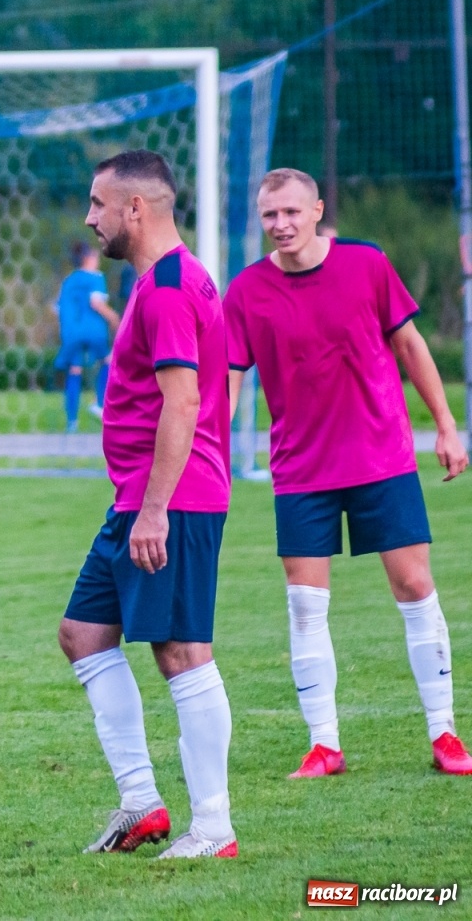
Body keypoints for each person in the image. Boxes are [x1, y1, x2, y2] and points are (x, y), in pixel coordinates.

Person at [224, 167, 471, 777]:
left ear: (316, 211)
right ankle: (324, 744)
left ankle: (446, 736)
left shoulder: (365, 264)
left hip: (381, 457)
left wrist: (444, 424)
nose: (279, 225)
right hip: (301, 470)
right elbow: (230, 377)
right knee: (305, 605)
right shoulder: (246, 292)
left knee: (415, 589)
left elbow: (411, 346)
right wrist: (209, 446)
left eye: (290, 212)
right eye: (268, 215)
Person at [58, 150, 238, 860]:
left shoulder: (166, 288)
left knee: (182, 652)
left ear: (137, 208)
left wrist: (156, 509)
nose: (89, 217)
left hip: (171, 497)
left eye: (98, 203)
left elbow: (183, 400)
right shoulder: (166, 279)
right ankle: (141, 803)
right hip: (140, 496)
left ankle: (214, 828)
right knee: (83, 633)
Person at [53, 241, 120, 431]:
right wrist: (114, 318)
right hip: (94, 330)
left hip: (72, 333)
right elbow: (96, 302)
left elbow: (57, 308)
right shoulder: (95, 277)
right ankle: (99, 403)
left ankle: (71, 422)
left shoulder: (69, 281)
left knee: (74, 370)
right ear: (88, 258)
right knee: (108, 360)